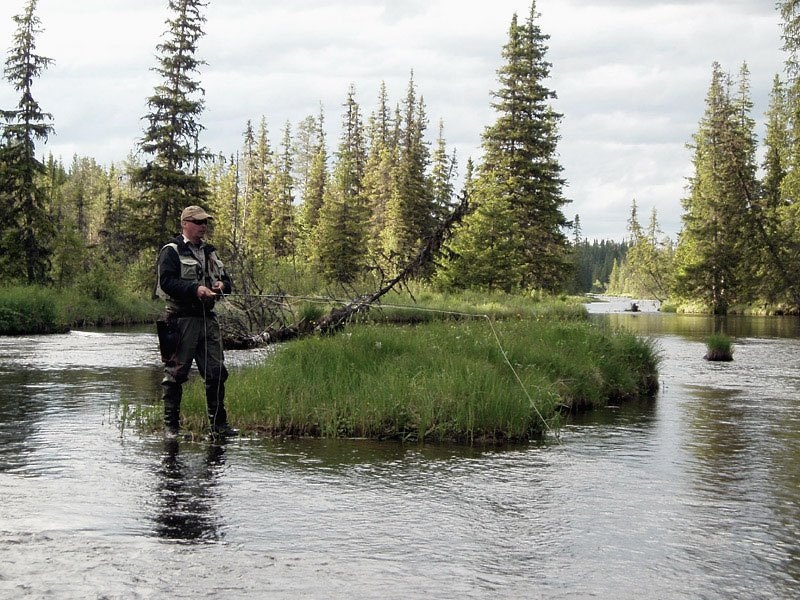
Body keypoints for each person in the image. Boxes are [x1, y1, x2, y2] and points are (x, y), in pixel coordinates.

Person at [155, 205, 237, 438]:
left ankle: (218, 426)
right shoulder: (171, 251)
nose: (203, 227)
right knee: (175, 374)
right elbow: (167, 283)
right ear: (185, 224)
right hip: (180, 320)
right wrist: (194, 289)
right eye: (199, 222)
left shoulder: (210, 252)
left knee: (216, 372)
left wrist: (222, 286)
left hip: (207, 320)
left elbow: (227, 282)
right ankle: (171, 428)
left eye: (205, 223)